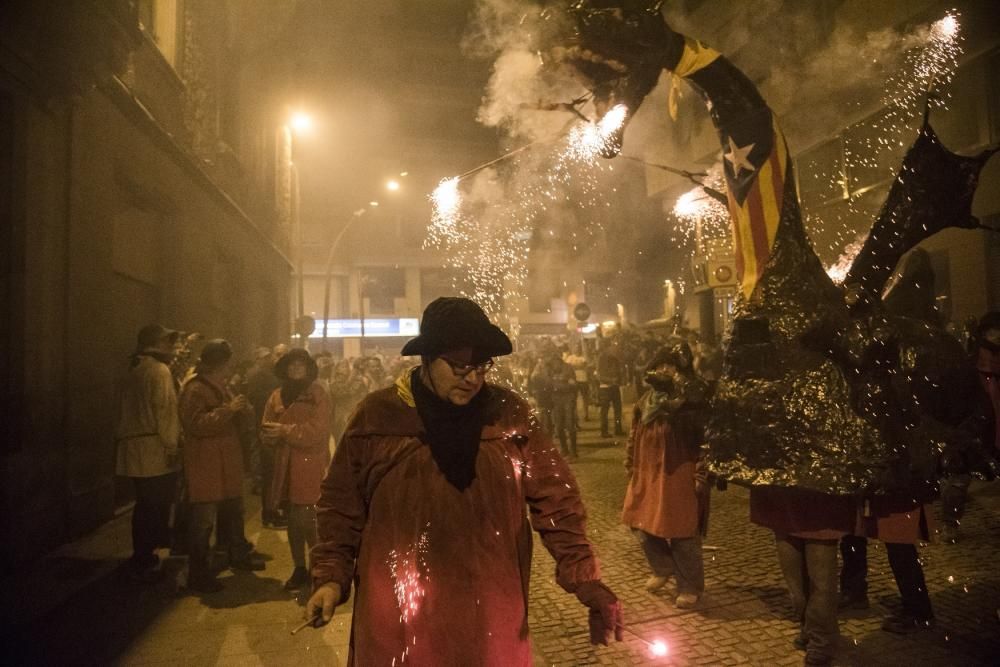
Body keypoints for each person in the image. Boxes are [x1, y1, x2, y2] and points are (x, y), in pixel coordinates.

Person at [306, 297, 622, 665]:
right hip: (400, 617)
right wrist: (331, 578)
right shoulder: (378, 417)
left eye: (481, 366)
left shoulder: (510, 415)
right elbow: (340, 505)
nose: (472, 378)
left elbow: (558, 501)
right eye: (458, 366)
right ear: (427, 359)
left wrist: (585, 579)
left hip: (489, 612)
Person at [622, 347, 709, 609]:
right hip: (647, 471)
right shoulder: (645, 401)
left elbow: (705, 439)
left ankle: (690, 585)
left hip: (679, 471)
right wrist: (630, 461)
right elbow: (634, 432)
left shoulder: (690, 403)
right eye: (660, 366)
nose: (664, 371)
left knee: (682, 531)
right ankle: (663, 567)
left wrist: (702, 473)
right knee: (638, 520)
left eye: (670, 366)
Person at [179, 339, 265, 592]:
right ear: (218, 364)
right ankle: (198, 572)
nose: (231, 369)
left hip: (226, 461)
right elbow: (197, 425)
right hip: (205, 462)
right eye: (228, 363)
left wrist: (242, 409)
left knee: (233, 512)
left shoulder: (223, 386)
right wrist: (229, 410)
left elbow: (241, 415)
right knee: (204, 520)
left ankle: (235, 555)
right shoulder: (195, 389)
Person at [115, 324, 182, 582]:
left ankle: (143, 554)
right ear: (155, 344)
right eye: (167, 343)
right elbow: (165, 410)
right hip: (154, 447)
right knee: (155, 504)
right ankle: (148, 555)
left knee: (144, 503)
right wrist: (172, 445)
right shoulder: (158, 370)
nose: (172, 349)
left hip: (133, 446)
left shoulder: (132, 369)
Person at [261, 348, 331, 591]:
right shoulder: (276, 396)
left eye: (300, 365)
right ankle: (299, 567)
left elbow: (319, 430)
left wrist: (285, 431)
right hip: (284, 465)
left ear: (308, 368)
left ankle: (317, 567)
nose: (296, 370)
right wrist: (270, 436)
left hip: (310, 464)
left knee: (309, 518)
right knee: (292, 518)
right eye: (292, 366)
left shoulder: (318, 394)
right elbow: (266, 427)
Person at [839, 496, 935, 633]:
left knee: (900, 546)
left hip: (895, 492)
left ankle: (919, 612)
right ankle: (854, 590)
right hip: (871, 489)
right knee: (852, 534)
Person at [247, 344, 288, 528]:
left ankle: (277, 509)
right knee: (270, 474)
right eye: (276, 354)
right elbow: (258, 401)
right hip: (268, 429)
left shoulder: (277, 375)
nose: (277, 358)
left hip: (280, 430)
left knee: (279, 472)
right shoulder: (260, 376)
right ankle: (270, 513)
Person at [548, 353, 579, 459]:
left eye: (555, 363)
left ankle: (573, 451)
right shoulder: (549, 369)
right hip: (556, 400)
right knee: (559, 426)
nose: (554, 366)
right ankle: (564, 449)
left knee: (570, 425)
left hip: (567, 398)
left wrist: (564, 381)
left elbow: (573, 384)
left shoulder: (568, 369)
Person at [597, 345, 625, 438]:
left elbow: (619, 372)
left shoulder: (614, 359)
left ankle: (617, 429)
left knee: (617, 409)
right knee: (605, 411)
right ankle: (605, 431)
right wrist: (612, 380)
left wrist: (618, 380)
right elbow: (599, 376)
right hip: (605, 388)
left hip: (613, 387)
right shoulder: (601, 360)